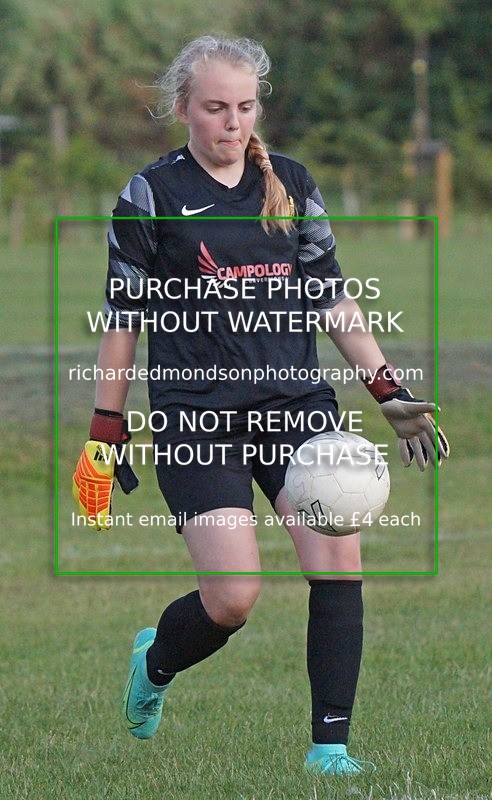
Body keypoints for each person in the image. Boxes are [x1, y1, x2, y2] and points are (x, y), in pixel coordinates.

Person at [72, 35, 449, 776]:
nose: (232, 122)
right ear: (183, 107)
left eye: (244, 107)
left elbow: (333, 298)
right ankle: (156, 664)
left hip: (297, 408)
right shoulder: (152, 196)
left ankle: (330, 749)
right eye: (215, 108)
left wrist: (388, 391)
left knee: (338, 564)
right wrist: (103, 432)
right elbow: (123, 320)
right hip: (197, 415)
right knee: (234, 597)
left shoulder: (294, 184)